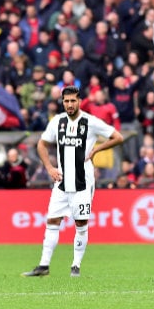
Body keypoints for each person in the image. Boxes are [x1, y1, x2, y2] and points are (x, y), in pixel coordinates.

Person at [23, 86, 123, 278]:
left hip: (82, 183)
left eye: (73, 101)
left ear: (79, 101)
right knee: (52, 220)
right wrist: (49, 168)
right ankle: (44, 266)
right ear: (62, 102)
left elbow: (117, 137)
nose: (70, 104)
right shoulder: (57, 121)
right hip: (61, 182)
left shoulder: (90, 122)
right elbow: (42, 144)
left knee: (81, 223)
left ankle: (75, 266)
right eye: (66, 101)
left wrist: (96, 150)